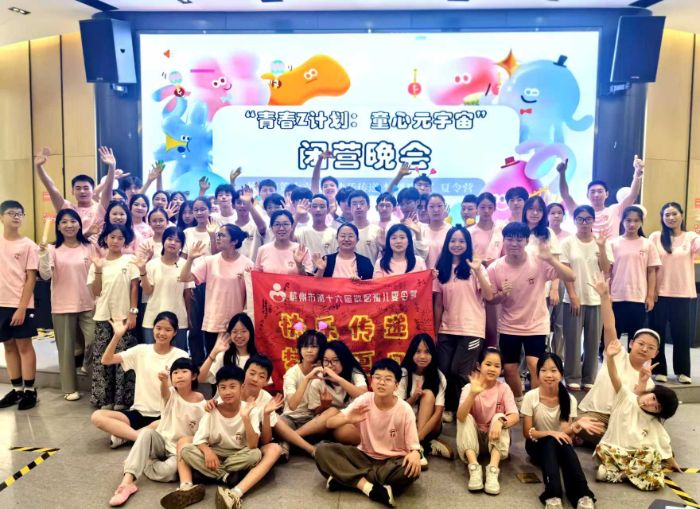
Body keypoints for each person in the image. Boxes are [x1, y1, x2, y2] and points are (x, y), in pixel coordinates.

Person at [486, 222, 575, 403]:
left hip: (536, 324)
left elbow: (570, 276)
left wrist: (551, 259)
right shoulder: (495, 268)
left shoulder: (539, 261)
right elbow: (490, 299)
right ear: (504, 241)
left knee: (535, 366)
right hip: (509, 325)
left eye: (519, 240)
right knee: (509, 369)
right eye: (510, 239)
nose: (514, 243)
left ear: (527, 241)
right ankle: (519, 401)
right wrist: (502, 294)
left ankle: (534, 403)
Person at [314, 358, 422, 507]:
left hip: (391, 461)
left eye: (388, 379)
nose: (381, 382)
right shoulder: (365, 400)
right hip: (363, 456)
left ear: (396, 385)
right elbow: (329, 423)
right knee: (322, 450)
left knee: (410, 470)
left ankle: (345, 478)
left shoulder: (405, 409)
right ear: (371, 381)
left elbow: (414, 447)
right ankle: (370, 488)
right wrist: (348, 418)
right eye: (377, 377)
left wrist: (415, 454)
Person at [573, 274, 662, 446]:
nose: (644, 349)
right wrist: (604, 297)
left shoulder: (648, 381)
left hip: (620, 419)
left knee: (625, 434)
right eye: (641, 344)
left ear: (655, 354)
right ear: (631, 343)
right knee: (592, 429)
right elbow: (609, 326)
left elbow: (635, 407)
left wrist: (642, 383)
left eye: (650, 348)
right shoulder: (617, 354)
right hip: (594, 413)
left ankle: (599, 440)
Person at [107, 358, 206, 507]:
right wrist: (164, 381)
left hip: (177, 451)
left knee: (170, 472)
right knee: (146, 433)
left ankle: (141, 461)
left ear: (194, 376)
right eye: (175, 372)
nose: (179, 375)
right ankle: (127, 483)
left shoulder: (202, 403)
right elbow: (165, 393)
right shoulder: (171, 394)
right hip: (160, 441)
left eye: (184, 371)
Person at [91, 311, 189, 447]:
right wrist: (117, 336)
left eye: (168, 330)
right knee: (97, 416)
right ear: (153, 329)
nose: (162, 333)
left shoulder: (181, 356)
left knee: (172, 423)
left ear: (175, 333)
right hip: (138, 412)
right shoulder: (141, 350)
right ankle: (139, 437)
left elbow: (185, 390)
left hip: (164, 415)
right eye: (158, 328)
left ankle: (125, 435)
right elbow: (106, 360)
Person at [595, 337, 678, 490]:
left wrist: (671, 459)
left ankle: (618, 475)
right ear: (651, 392)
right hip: (612, 452)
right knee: (604, 449)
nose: (650, 404)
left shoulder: (651, 419)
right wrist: (610, 358)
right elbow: (614, 376)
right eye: (653, 398)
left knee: (656, 479)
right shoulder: (626, 397)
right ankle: (630, 474)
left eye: (656, 407)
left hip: (634, 456)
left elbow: (661, 439)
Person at [178, 365, 263, 509]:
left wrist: (245, 418)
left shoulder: (252, 410)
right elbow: (199, 438)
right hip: (216, 451)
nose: (227, 392)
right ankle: (226, 477)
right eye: (223, 387)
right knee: (186, 451)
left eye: (232, 387)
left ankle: (211, 474)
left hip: (238, 454)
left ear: (242, 387)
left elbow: (253, 445)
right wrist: (207, 451)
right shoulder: (212, 410)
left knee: (255, 454)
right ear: (217, 389)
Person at [433, 225, 493, 422]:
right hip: (447, 328)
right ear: (447, 243)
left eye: (461, 241)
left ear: (468, 244)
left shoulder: (477, 267)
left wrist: (478, 271)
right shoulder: (441, 269)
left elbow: (489, 295)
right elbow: (438, 304)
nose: (457, 245)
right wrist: (435, 331)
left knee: (460, 372)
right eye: (453, 241)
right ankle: (448, 407)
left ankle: (462, 409)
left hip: (471, 329)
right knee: (444, 370)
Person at [522, 353, 596, 509]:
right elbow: (527, 432)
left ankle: (582, 494)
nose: (549, 375)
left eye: (553, 370)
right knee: (551, 440)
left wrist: (575, 427)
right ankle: (553, 493)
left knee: (561, 442)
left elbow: (564, 432)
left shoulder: (569, 399)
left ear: (561, 374)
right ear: (537, 374)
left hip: (561, 446)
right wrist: (550, 433)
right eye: (544, 370)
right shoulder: (530, 397)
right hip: (536, 445)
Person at [38, 209, 96, 401]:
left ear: (79, 224)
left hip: (89, 302)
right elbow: (45, 275)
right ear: (58, 226)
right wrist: (43, 255)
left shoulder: (89, 246)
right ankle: (69, 388)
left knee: (94, 340)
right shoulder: (52, 249)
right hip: (63, 304)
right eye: (64, 222)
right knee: (66, 350)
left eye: (73, 221)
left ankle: (88, 366)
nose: (69, 225)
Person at [181, 225, 253, 362]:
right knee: (213, 363)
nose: (217, 238)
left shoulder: (247, 264)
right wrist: (190, 259)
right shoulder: (210, 261)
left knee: (234, 363)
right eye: (217, 235)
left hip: (236, 324)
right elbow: (184, 278)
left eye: (222, 235)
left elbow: (250, 296)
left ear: (234, 241)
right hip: (213, 321)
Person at [88, 224, 140, 413]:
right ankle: (104, 398)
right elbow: (96, 291)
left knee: (122, 358)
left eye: (120, 238)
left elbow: (134, 287)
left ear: (125, 241)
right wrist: (98, 269)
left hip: (123, 317)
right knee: (102, 358)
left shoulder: (130, 261)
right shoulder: (97, 263)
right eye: (112, 237)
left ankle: (122, 399)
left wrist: (133, 312)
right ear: (105, 239)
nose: (116, 241)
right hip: (103, 316)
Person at [561, 206, 612, 391]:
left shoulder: (601, 242)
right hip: (573, 299)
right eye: (580, 219)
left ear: (593, 221)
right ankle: (572, 376)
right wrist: (573, 295)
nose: (584, 223)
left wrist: (602, 248)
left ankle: (590, 377)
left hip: (596, 299)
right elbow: (565, 271)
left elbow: (606, 269)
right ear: (574, 220)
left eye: (588, 219)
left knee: (593, 341)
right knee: (572, 340)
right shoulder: (568, 242)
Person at [648, 202, 700, 384]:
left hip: (682, 294)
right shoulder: (655, 237)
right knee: (657, 334)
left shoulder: (690, 237)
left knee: (681, 335)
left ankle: (683, 371)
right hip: (659, 294)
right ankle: (659, 369)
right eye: (667, 215)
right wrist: (650, 292)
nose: (671, 218)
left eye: (674, 214)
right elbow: (650, 265)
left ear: (682, 215)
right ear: (662, 218)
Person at [456, 347, 519, 495]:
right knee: (466, 417)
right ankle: (474, 467)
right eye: (488, 364)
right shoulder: (469, 387)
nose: (492, 369)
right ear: (479, 365)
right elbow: (460, 416)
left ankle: (493, 469)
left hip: (494, 438)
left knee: (500, 416)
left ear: (501, 369)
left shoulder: (504, 388)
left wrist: (500, 422)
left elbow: (515, 416)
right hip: (474, 440)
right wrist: (472, 394)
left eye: (497, 366)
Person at [0, 200, 40, 410]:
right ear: (1, 217)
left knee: (24, 345)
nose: (16, 216)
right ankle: (16, 389)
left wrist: (22, 307)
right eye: (11, 213)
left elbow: (31, 278)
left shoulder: (29, 245)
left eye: (19, 213)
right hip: (1, 303)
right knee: (8, 345)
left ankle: (30, 390)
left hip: (20, 303)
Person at [293, 340, 368, 444]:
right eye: (326, 361)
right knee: (332, 411)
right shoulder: (318, 380)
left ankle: (294, 437)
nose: (330, 365)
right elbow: (315, 414)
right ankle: (293, 436)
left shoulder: (354, 374)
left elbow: (364, 395)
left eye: (335, 360)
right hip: (326, 424)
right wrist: (324, 406)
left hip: (349, 422)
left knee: (346, 432)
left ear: (344, 360)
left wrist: (338, 379)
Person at [398, 334, 453, 467]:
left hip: (429, 426)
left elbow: (438, 413)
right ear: (412, 353)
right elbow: (398, 408)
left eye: (427, 352)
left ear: (432, 354)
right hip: (406, 423)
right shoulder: (403, 373)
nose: (422, 356)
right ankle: (428, 446)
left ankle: (417, 446)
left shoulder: (439, 376)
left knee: (428, 394)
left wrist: (417, 439)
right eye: (418, 351)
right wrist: (414, 397)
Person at [34, 146, 116, 236]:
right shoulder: (68, 208)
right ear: (72, 191)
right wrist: (39, 167)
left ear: (93, 192)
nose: (82, 191)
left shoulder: (100, 208)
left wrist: (112, 167)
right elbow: (51, 188)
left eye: (86, 188)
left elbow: (108, 188)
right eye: (78, 188)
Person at [558, 155, 644, 238]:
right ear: (587, 195)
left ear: (607, 194)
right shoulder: (581, 212)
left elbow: (633, 195)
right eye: (593, 192)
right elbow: (565, 195)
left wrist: (637, 173)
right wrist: (562, 174)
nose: (596, 195)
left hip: (610, 248)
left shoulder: (615, 210)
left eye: (600, 191)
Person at [609, 206, 660, 342]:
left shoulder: (648, 244)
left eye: (636, 220)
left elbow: (651, 272)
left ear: (641, 222)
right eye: (628, 220)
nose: (632, 224)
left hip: (638, 297)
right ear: (622, 221)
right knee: (612, 337)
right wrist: (607, 294)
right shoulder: (613, 243)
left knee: (636, 338)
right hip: (616, 297)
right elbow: (608, 272)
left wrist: (650, 296)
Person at [139, 226, 189, 350]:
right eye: (170, 239)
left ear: (182, 245)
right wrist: (142, 271)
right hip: (153, 317)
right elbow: (148, 291)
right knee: (151, 355)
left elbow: (187, 294)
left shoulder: (185, 264)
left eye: (177, 241)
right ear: (163, 241)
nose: (173, 243)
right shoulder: (152, 264)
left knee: (178, 356)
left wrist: (189, 317)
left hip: (178, 318)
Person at [468, 192, 503, 349]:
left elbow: (505, 255)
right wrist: (482, 263)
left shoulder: (501, 230)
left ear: (495, 208)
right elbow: (466, 256)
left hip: (496, 278)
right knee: (478, 319)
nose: (486, 211)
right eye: (482, 207)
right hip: (475, 279)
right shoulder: (470, 232)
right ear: (477, 209)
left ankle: (494, 355)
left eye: (490, 207)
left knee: (495, 321)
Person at [281, 329, 328, 432]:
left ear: (321, 349)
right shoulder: (292, 373)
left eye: (314, 346)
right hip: (290, 418)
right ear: (300, 349)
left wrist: (324, 406)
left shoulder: (325, 371)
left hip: (313, 419)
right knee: (277, 422)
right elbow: (292, 405)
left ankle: (294, 438)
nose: (309, 350)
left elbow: (317, 411)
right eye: (305, 346)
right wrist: (307, 378)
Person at [199, 312, 258, 384]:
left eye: (243, 331)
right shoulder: (223, 356)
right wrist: (214, 352)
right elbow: (200, 378)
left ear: (250, 332)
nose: (239, 335)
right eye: (235, 332)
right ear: (230, 334)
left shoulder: (257, 358)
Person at [546, 202, 571, 359]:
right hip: (545, 281)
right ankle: (543, 357)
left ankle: (558, 358)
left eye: (559, 213)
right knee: (543, 322)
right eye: (552, 213)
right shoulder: (543, 234)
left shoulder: (569, 236)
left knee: (560, 323)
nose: (556, 216)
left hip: (563, 283)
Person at [255, 210, 312, 275]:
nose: (281, 228)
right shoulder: (262, 250)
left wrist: (299, 266)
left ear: (292, 227)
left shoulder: (301, 250)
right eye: (277, 224)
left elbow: (308, 279)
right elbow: (257, 277)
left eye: (286, 224)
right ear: (271, 227)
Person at [294, 193, 337, 258]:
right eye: (314, 206)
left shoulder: (334, 233)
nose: (318, 210)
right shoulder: (302, 231)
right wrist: (297, 216)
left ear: (328, 210)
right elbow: (289, 240)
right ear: (309, 209)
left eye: (322, 207)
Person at [348, 190, 384, 264]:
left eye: (362, 203)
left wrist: (384, 247)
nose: (358, 207)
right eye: (354, 204)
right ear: (350, 208)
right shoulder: (345, 230)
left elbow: (385, 257)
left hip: (371, 270)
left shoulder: (377, 230)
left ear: (368, 207)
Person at [421, 193, 451, 269]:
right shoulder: (420, 231)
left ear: (445, 207)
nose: (436, 210)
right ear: (426, 209)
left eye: (439, 206)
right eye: (431, 206)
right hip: (425, 274)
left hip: (446, 273)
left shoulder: (451, 230)